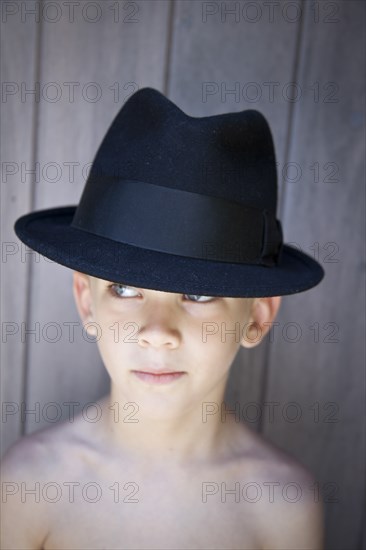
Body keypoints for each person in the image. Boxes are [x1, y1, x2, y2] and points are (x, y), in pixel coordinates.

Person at [1, 87, 325, 549]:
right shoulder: (29, 487)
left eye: (197, 293)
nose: (157, 332)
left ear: (258, 314)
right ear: (86, 300)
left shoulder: (283, 506)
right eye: (125, 289)